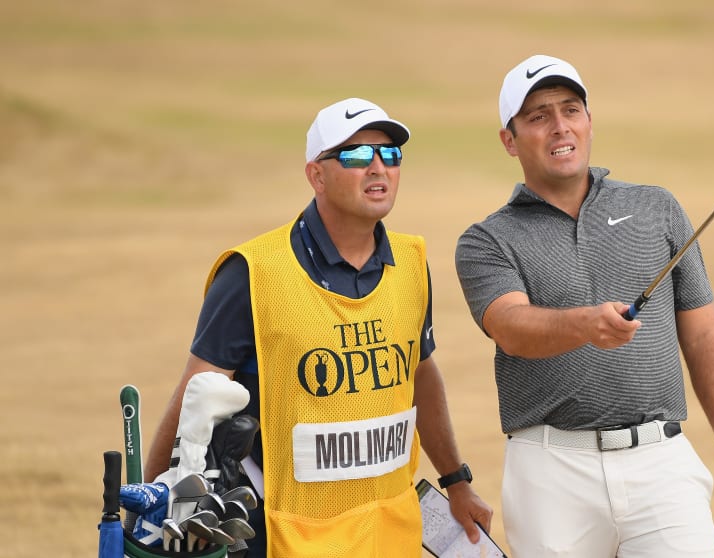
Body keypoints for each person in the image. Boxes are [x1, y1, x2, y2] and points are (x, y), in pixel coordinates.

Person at [147, 97, 493, 557]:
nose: (377, 167)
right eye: (354, 155)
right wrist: (151, 505)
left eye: (389, 154)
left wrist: (456, 481)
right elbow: (195, 397)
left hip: (392, 535)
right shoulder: (252, 272)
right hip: (286, 537)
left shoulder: (411, 262)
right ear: (316, 175)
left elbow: (420, 374)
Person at [454, 54, 714, 557]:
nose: (560, 127)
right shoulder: (488, 239)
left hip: (660, 462)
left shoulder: (656, 207)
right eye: (538, 116)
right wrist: (585, 325)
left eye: (571, 110)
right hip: (551, 471)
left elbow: (703, 331)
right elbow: (510, 325)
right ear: (509, 141)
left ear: (589, 121)